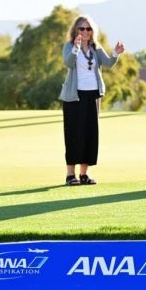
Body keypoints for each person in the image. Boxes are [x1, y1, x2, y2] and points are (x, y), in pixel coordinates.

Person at [58, 15, 124, 185]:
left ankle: (84, 174)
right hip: (74, 95)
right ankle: (70, 175)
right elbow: (68, 63)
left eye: (88, 29)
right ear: (75, 30)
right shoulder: (69, 46)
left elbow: (108, 63)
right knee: (73, 134)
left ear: (92, 31)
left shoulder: (96, 48)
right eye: (82, 28)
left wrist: (116, 53)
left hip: (92, 95)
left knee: (89, 134)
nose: (85, 32)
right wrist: (76, 48)